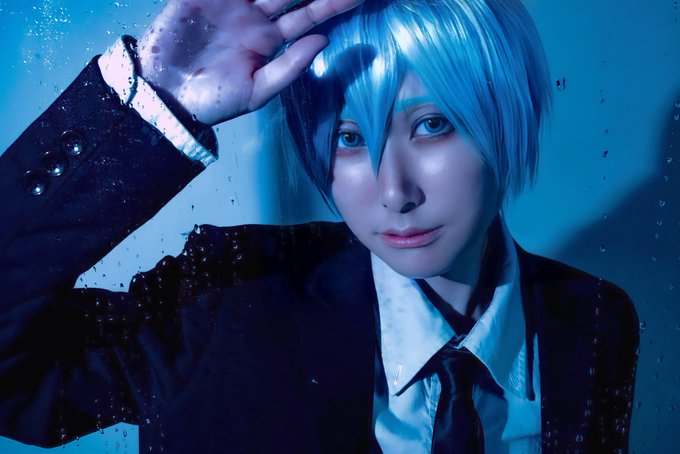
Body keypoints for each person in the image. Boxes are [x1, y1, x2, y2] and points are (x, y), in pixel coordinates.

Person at [0, 0, 639, 452]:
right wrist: (151, 102)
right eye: (349, 138)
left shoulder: (595, 321)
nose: (395, 192)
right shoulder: (227, 297)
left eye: (432, 125)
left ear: (503, 118)